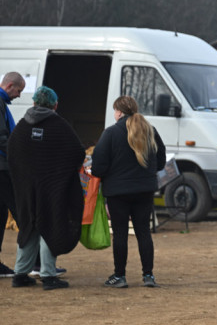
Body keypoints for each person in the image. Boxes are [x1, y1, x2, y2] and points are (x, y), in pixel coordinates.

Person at [6, 86, 84, 290]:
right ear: (55, 105)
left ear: (33, 103)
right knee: (50, 225)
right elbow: (77, 153)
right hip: (52, 188)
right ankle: (49, 275)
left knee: (28, 227)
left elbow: (12, 152)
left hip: (25, 188)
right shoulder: (60, 126)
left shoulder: (22, 126)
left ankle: (20, 274)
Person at [90, 95, 167, 288]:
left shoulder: (110, 133)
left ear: (119, 112)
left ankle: (120, 276)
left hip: (118, 192)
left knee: (121, 233)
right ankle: (148, 275)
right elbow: (161, 161)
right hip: (144, 190)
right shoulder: (150, 131)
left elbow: (98, 167)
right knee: (143, 233)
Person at [0, 71, 26, 277]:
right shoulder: (0, 104)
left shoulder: (3, 104)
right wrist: (17, 157)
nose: (19, 95)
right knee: (21, 212)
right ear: (10, 86)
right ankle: (32, 262)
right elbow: (2, 137)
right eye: (19, 91)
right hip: (3, 169)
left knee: (1, 216)